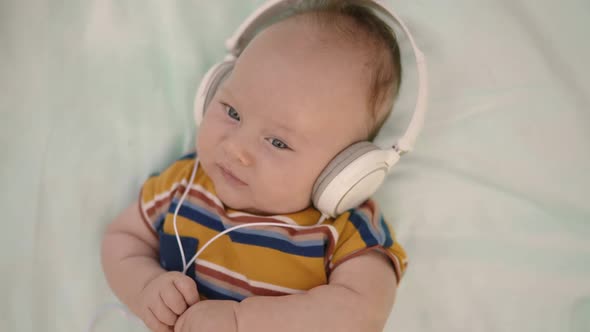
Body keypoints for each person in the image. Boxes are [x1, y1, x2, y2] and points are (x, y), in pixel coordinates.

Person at [101, 1, 409, 331]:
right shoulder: (184, 183)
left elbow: (362, 313)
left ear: (346, 172)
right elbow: (123, 238)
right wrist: (145, 286)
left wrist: (242, 321)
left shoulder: (345, 231)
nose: (235, 149)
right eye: (232, 112)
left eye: (278, 142)